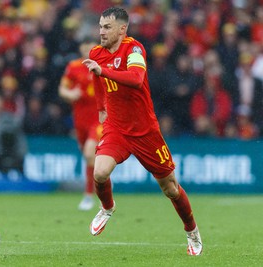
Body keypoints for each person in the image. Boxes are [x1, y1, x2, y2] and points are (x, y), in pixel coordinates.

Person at [81, 7, 202, 256]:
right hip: (117, 128)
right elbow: (96, 76)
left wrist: (102, 71)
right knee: (100, 172)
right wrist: (101, 108)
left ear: (122, 29)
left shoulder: (134, 49)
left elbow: (136, 79)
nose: (101, 31)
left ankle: (192, 231)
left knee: (170, 188)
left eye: (107, 27)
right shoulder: (97, 53)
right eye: (100, 26)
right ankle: (107, 207)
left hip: (145, 131)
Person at [59, 38, 102, 211]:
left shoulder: (102, 67)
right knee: (89, 158)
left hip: (99, 120)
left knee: (89, 152)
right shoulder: (73, 67)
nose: (88, 52)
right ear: (81, 49)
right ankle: (104, 183)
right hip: (80, 121)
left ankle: (88, 195)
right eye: (85, 48)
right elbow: (62, 88)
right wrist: (69, 94)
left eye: (91, 49)